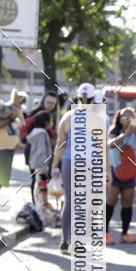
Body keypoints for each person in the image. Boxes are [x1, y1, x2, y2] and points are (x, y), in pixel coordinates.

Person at [51, 83, 97, 254]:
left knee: (69, 201)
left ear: (77, 97)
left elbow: (59, 145)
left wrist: (54, 166)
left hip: (69, 161)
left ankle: (65, 241)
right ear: (93, 100)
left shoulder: (67, 117)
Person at [106, 107, 136, 245]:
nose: (127, 120)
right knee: (111, 201)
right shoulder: (115, 131)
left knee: (127, 203)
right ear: (119, 119)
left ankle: (125, 233)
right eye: (124, 117)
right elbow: (111, 144)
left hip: (130, 172)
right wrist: (126, 134)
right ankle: (105, 233)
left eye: (130, 117)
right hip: (115, 171)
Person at [21, 91, 59, 200]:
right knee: (37, 179)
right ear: (43, 101)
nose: (50, 106)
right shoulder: (36, 114)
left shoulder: (54, 115)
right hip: (35, 151)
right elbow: (27, 131)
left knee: (42, 179)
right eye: (48, 102)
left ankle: (40, 202)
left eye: (52, 104)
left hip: (44, 151)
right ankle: (37, 203)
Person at [26, 111, 53, 210]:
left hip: (34, 162)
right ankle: (40, 208)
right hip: (40, 165)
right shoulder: (42, 133)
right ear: (46, 122)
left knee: (37, 185)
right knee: (41, 186)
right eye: (51, 121)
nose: (52, 123)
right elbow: (41, 151)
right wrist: (44, 166)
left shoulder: (34, 132)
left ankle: (39, 206)